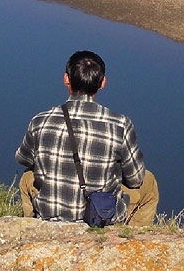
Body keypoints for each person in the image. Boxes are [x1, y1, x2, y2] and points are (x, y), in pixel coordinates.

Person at [15, 50, 159, 226]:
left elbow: (23, 158)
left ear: (66, 79)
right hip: (100, 213)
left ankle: (34, 227)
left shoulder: (40, 121)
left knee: (26, 178)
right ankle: (134, 238)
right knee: (149, 182)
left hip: (50, 212)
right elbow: (135, 178)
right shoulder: (120, 124)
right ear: (103, 82)